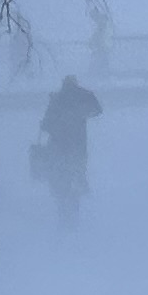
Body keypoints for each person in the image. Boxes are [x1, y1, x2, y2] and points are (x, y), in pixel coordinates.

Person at [29, 73, 102, 223]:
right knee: (77, 172)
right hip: (78, 144)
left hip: (58, 145)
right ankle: (75, 202)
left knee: (59, 176)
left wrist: (52, 124)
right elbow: (97, 110)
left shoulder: (57, 99)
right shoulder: (84, 96)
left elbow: (46, 125)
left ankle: (63, 208)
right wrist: (81, 114)